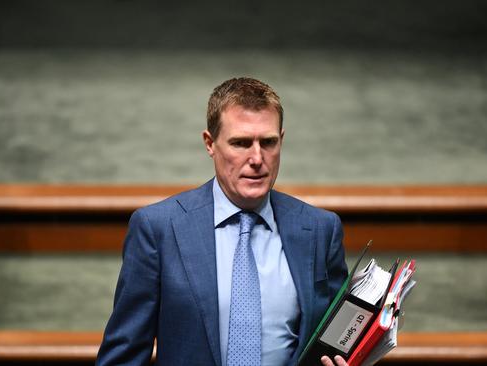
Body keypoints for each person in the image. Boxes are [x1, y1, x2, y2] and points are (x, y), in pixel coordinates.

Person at [97, 77, 349, 366]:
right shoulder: (159, 229)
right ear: (210, 144)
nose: (257, 158)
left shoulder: (320, 230)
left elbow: (333, 344)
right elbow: (123, 355)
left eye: (268, 142)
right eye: (240, 143)